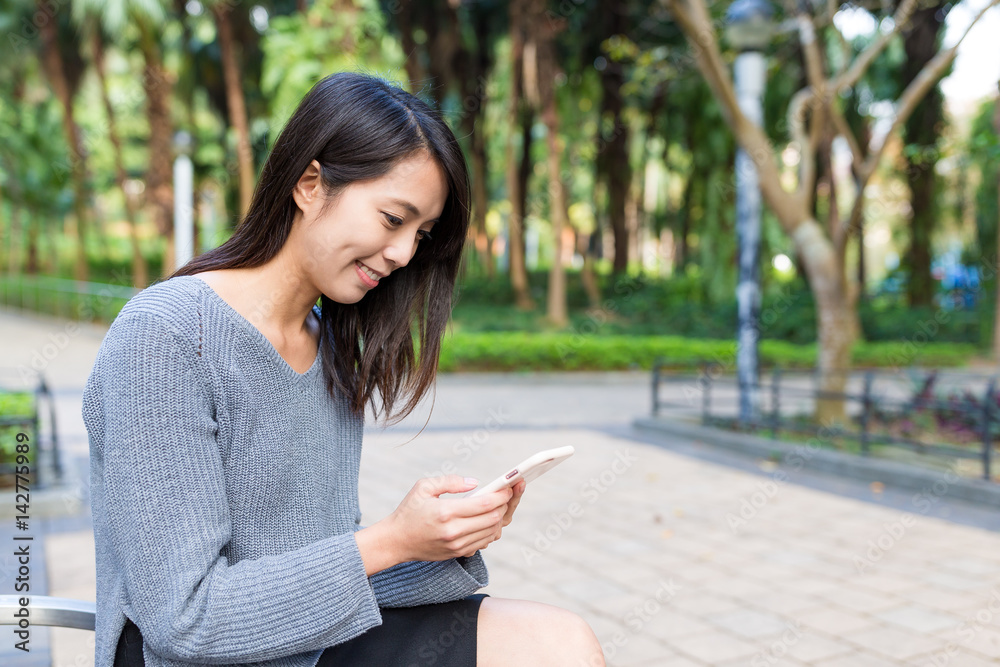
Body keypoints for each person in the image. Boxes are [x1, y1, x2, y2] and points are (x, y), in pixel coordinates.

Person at [82, 71, 605, 667]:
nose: (405, 253)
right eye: (392, 219)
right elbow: (187, 621)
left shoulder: (329, 341)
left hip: (306, 645)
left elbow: (321, 577)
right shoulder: (167, 337)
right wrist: (389, 540)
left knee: (561, 643)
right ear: (310, 183)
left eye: (421, 233)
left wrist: (438, 541)